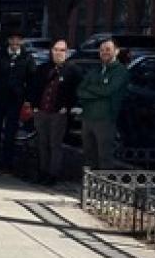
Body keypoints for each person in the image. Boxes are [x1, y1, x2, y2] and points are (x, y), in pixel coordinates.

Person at [27, 38, 82, 185]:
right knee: (42, 143)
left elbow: (77, 92)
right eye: (56, 50)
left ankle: (53, 174)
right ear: (51, 51)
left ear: (67, 52)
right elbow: (34, 88)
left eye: (62, 50)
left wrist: (67, 107)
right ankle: (42, 172)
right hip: (42, 111)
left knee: (55, 144)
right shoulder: (43, 68)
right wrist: (35, 106)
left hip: (59, 113)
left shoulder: (73, 70)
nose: (58, 53)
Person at [0, 32, 36, 174]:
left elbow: (32, 79)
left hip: (16, 99)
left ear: (21, 41)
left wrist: (28, 99)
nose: (15, 42)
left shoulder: (27, 57)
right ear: (8, 40)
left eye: (18, 40)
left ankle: (7, 163)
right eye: (12, 39)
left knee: (11, 131)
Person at [77, 38, 128, 169]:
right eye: (102, 50)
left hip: (105, 119)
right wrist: (95, 92)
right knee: (89, 154)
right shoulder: (96, 69)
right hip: (87, 118)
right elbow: (80, 89)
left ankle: (105, 186)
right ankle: (90, 185)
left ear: (116, 51)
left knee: (104, 156)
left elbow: (108, 91)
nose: (104, 52)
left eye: (108, 50)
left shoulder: (120, 71)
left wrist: (90, 89)